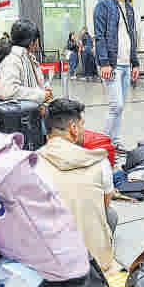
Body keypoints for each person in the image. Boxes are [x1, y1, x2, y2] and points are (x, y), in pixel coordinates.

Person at [37, 99, 116, 272]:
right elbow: (104, 205)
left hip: (54, 269)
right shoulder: (100, 162)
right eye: (82, 125)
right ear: (73, 128)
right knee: (111, 214)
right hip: (97, 266)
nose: (83, 130)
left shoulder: (32, 165)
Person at [94, 0, 140, 151]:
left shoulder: (129, 8)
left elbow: (131, 36)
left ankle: (115, 141)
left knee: (120, 107)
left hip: (126, 64)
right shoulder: (103, 5)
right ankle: (102, 144)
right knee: (116, 105)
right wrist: (104, 62)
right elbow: (99, 36)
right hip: (111, 65)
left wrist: (135, 62)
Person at [0, 19, 52, 105]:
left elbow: (32, 84)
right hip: (22, 112)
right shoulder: (13, 59)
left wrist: (44, 90)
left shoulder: (26, 57)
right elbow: (7, 90)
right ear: (31, 41)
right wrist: (41, 95)